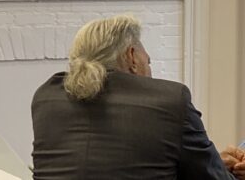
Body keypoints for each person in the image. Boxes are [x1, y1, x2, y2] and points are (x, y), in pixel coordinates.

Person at [31, 14, 245, 179]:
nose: (150, 70)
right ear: (132, 56)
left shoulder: (46, 97)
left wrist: (213, 162)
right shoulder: (170, 100)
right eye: (148, 62)